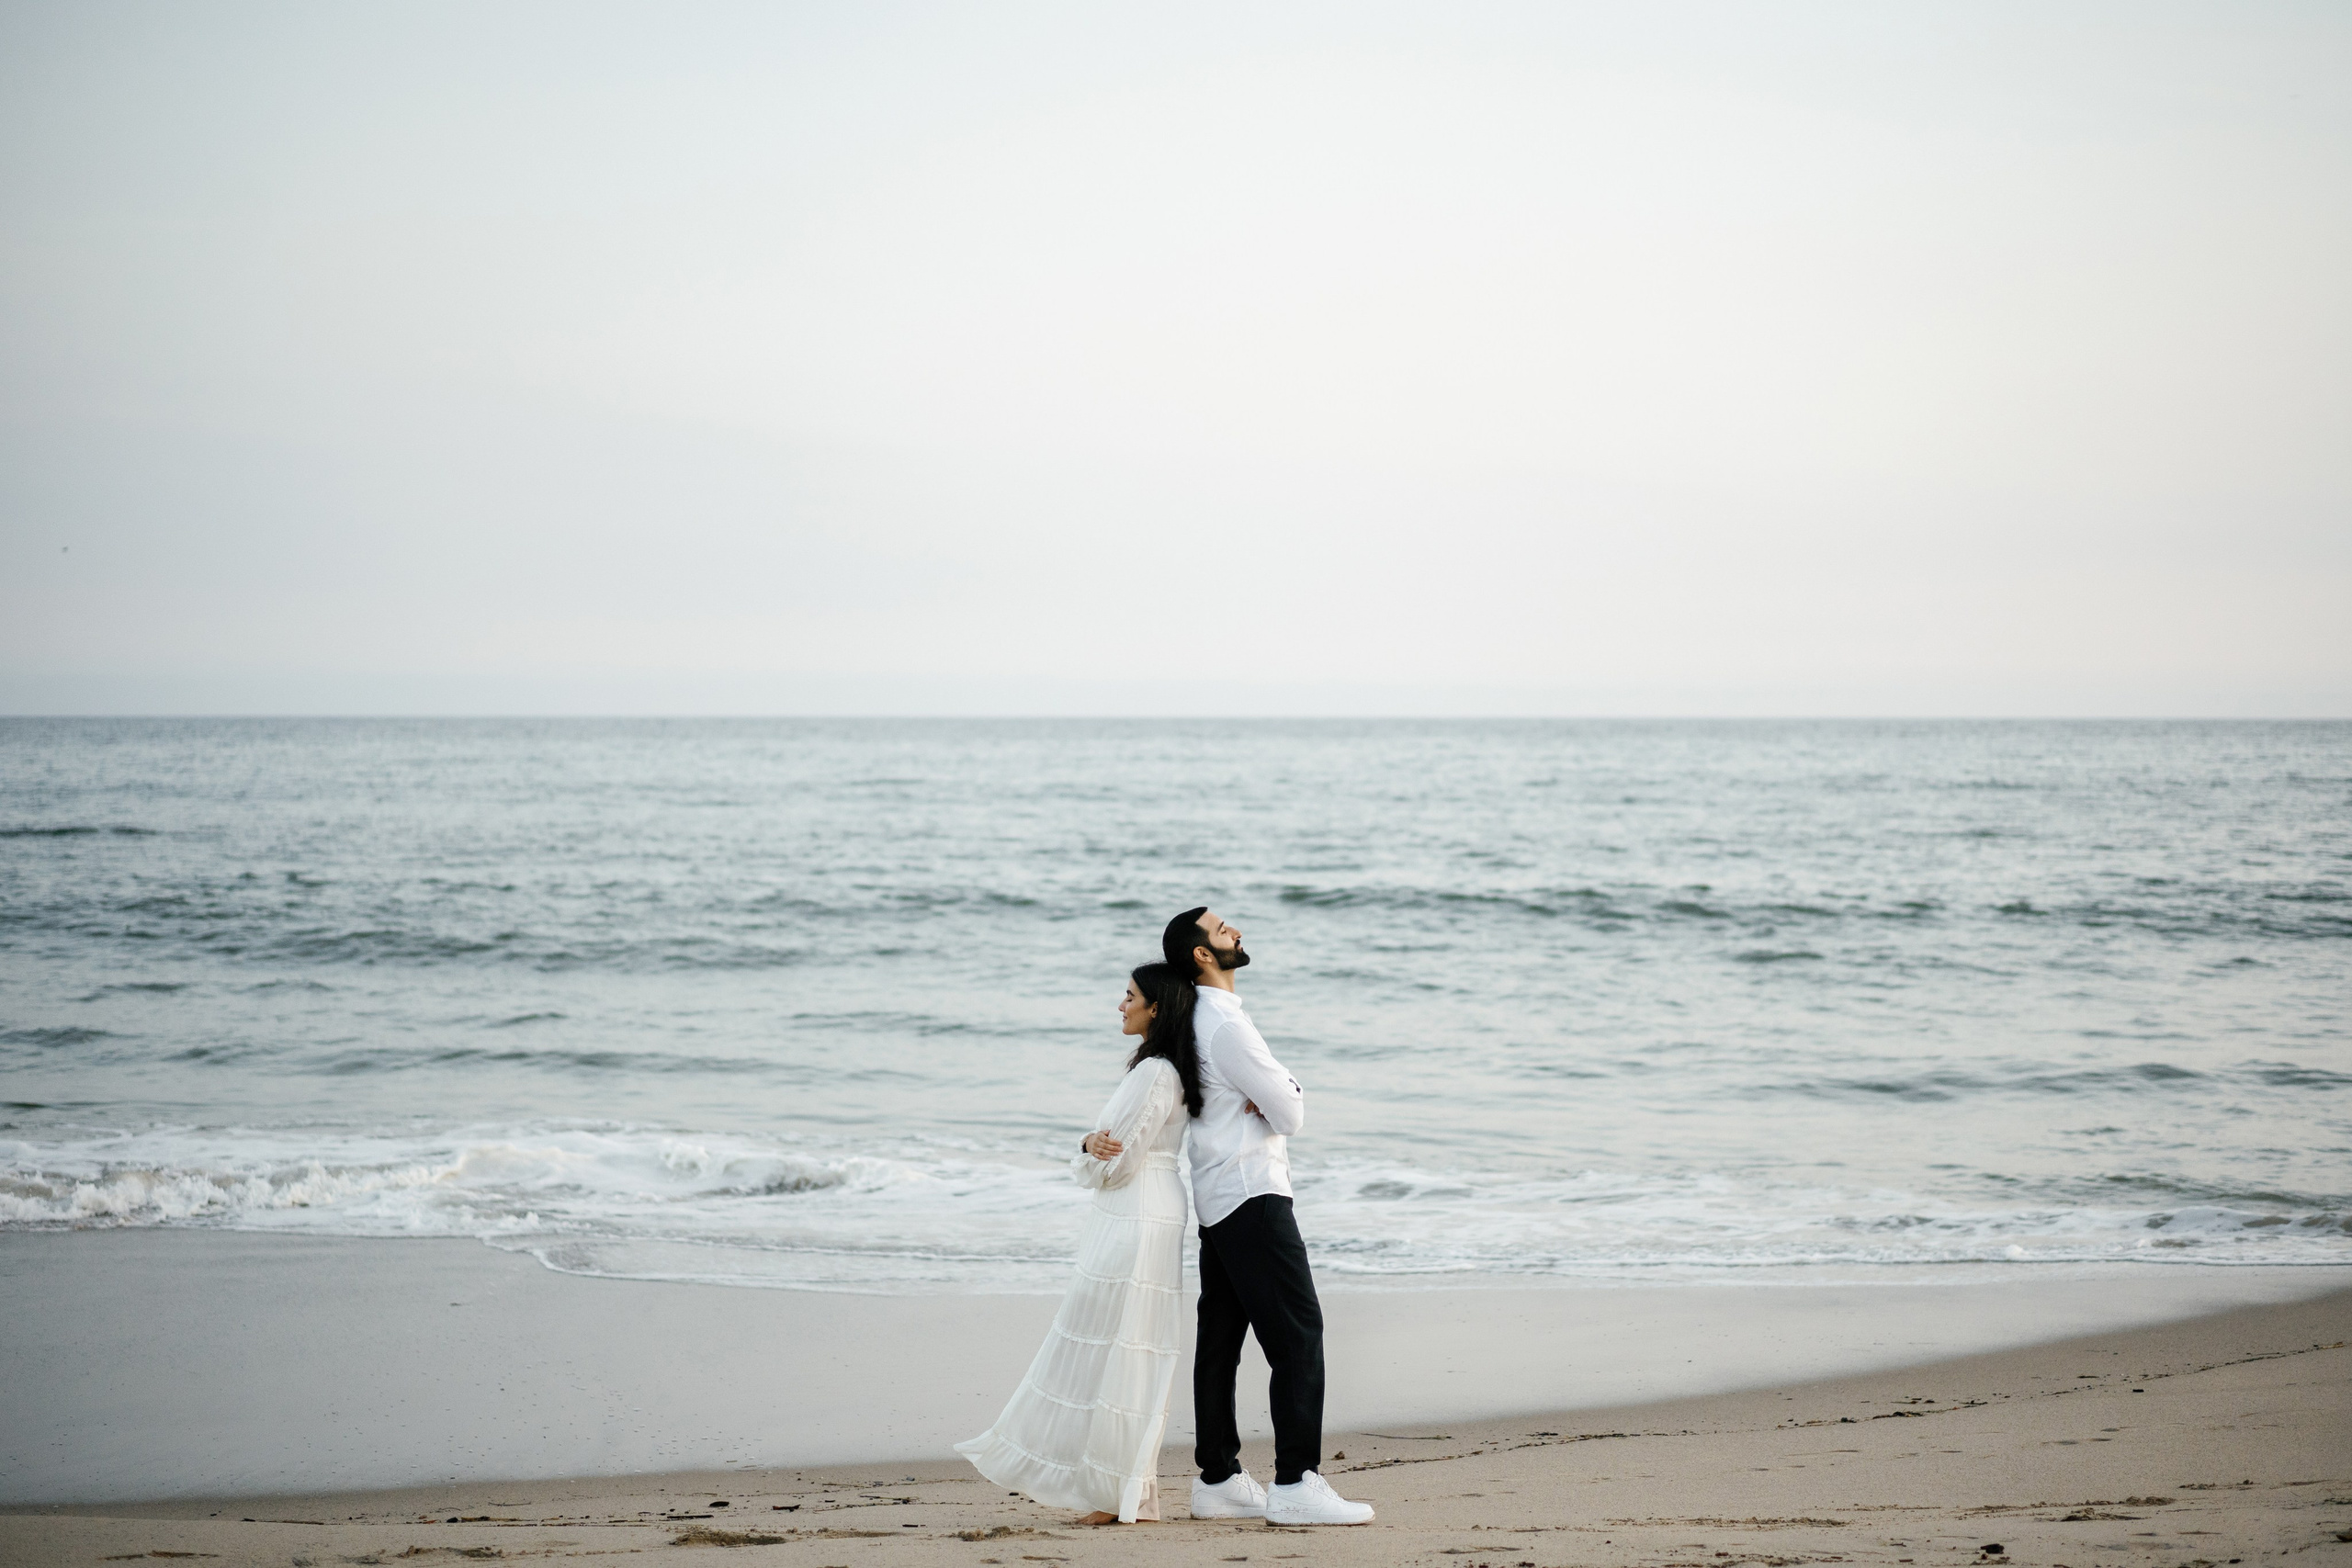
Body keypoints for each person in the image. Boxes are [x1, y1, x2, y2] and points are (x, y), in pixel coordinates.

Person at [956, 962, 1201, 1525]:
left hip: (1136, 1208)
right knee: (1124, 1345)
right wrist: (1090, 1145)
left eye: (1130, 995)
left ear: (1156, 1007)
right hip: (1147, 1204)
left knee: (1119, 1346)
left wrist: (1089, 1150)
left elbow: (1116, 1163)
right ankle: (1125, 1492)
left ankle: (1117, 1494)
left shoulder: (1157, 1072)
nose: (1121, 1004)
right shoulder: (1162, 1070)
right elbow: (1113, 1150)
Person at [1166, 907, 1375, 1527]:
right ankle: (1294, 1481)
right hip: (1253, 1193)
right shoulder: (1225, 1025)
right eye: (1222, 927)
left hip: (1216, 1195)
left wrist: (1273, 1092)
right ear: (1203, 954)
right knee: (1297, 1334)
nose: (1235, 931)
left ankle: (1220, 1478)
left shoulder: (1195, 1020)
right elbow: (1289, 1111)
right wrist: (1284, 1088)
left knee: (1222, 1340)